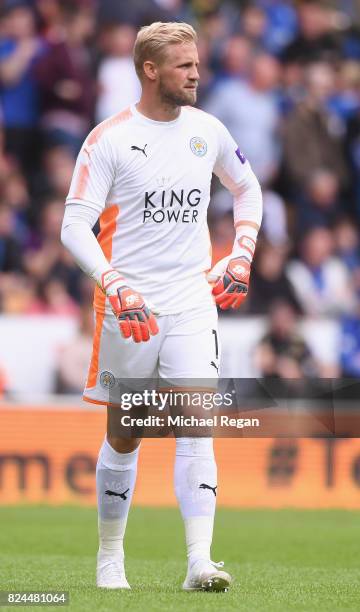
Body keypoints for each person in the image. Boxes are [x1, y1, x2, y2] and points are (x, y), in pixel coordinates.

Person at [61, 21, 262, 593]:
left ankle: (200, 562)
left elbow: (248, 189)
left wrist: (241, 252)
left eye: (196, 63)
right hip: (131, 309)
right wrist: (113, 281)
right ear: (151, 70)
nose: (196, 73)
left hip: (193, 300)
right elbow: (74, 225)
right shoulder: (110, 138)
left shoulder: (208, 131)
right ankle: (109, 558)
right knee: (127, 433)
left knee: (197, 426)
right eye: (183, 65)